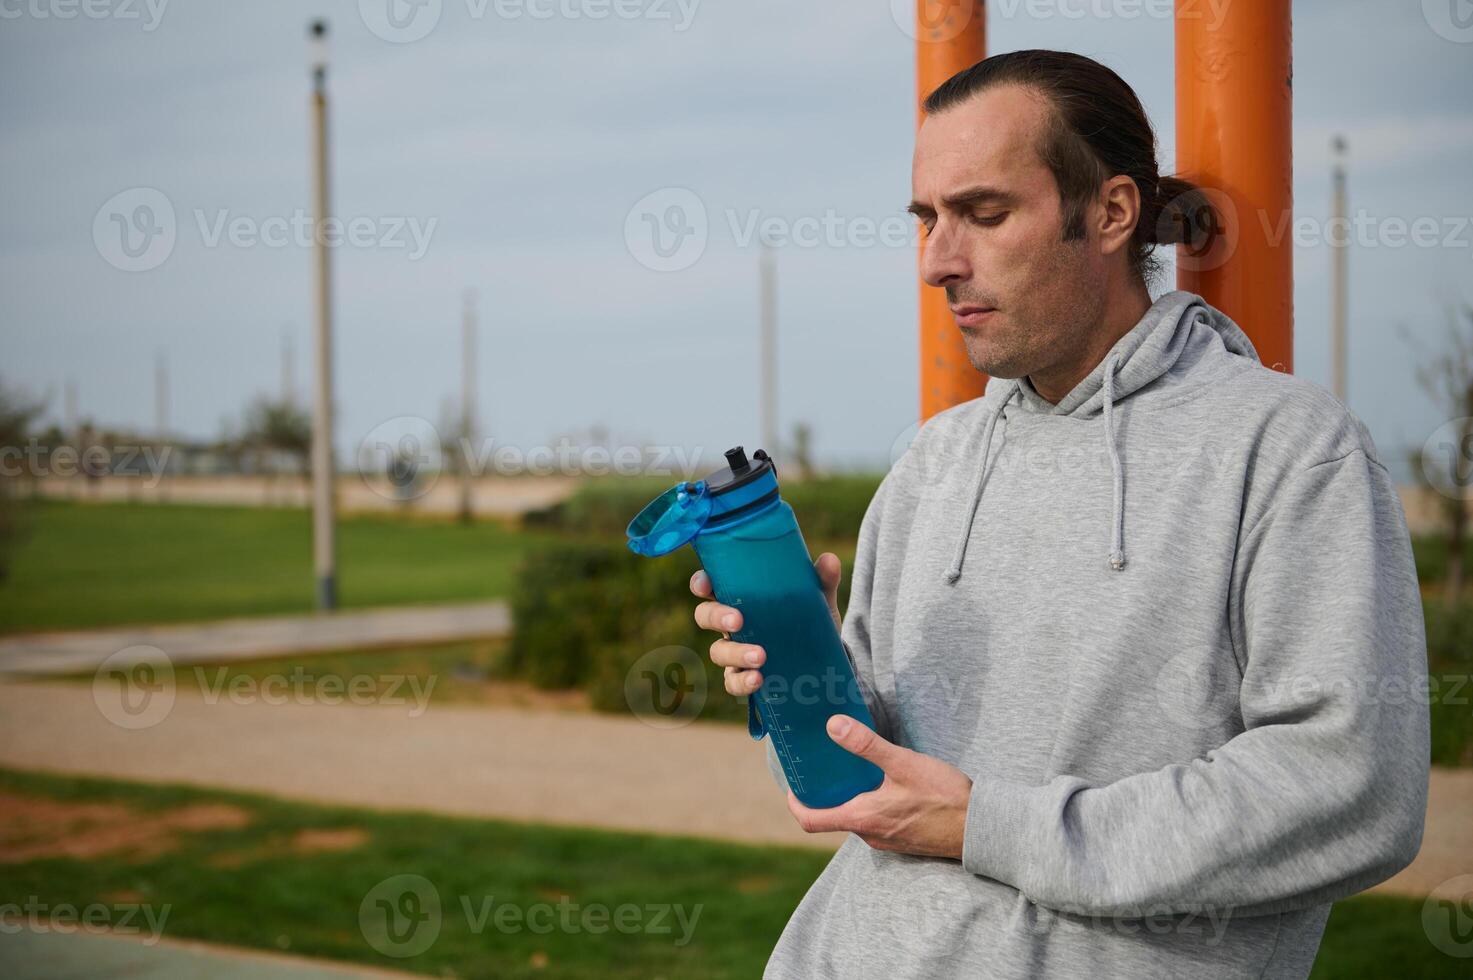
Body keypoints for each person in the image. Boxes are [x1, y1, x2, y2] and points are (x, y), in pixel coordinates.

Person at [689, 50, 1429, 979]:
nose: (936, 262)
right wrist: (805, 676)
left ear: (1112, 213)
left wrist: (991, 826)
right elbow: (880, 791)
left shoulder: (1286, 449)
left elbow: (1348, 789)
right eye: (925, 219)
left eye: (984, 214)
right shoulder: (933, 461)